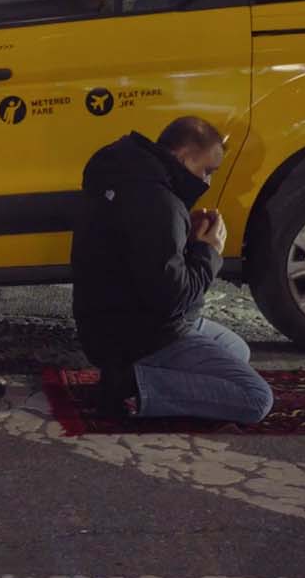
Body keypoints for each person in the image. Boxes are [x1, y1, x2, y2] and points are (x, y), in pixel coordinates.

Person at [70, 116, 274, 424]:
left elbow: (141, 263)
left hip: (105, 325)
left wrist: (187, 239)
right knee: (256, 398)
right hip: (141, 337)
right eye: (207, 170)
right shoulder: (160, 203)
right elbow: (172, 298)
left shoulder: (126, 176)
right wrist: (209, 251)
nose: (207, 182)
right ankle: (130, 387)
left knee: (236, 350)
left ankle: (143, 376)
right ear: (184, 156)